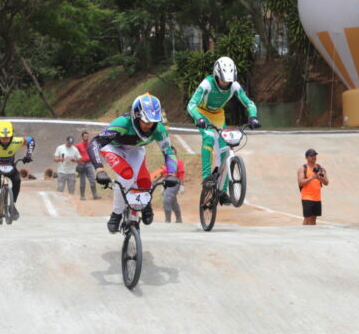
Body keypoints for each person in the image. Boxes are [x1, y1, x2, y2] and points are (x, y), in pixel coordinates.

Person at [88, 93, 179, 233]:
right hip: (113, 147)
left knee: (144, 181)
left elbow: (168, 152)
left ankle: (145, 203)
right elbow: (94, 143)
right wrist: (100, 170)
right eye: (146, 120)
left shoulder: (159, 129)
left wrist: (171, 173)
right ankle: (116, 214)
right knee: (126, 176)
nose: (149, 124)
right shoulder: (122, 123)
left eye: (153, 120)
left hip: (135, 149)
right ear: (136, 117)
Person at [187, 56, 261, 204]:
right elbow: (191, 104)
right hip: (202, 113)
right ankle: (206, 177)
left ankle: (222, 191)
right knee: (209, 137)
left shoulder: (234, 86)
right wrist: (198, 118)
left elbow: (249, 103)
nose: (225, 83)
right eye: (222, 80)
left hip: (218, 115)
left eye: (229, 80)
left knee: (226, 149)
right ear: (216, 75)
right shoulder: (207, 84)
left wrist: (253, 116)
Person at [151, 146, 185, 223]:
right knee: (173, 201)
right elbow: (161, 174)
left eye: (173, 153)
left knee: (166, 200)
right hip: (167, 183)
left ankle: (168, 220)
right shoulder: (166, 163)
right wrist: (154, 182)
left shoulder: (179, 162)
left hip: (175, 183)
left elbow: (181, 174)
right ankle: (179, 219)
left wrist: (182, 185)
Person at [297, 149, 329, 225]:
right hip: (307, 197)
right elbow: (300, 182)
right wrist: (312, 177)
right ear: (306, 157)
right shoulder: (303, 168)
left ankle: (312, 232)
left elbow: (326, 183)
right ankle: (304, 232)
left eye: (315, 155)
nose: (314, 157)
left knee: (314, 218)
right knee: (307, 218)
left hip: (317, 198)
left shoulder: (321, 168)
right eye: (311, 156)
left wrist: (321, 178)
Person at [75, 131, 100, 200]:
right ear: (82, 137)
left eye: (87, 136)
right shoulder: (78, 145)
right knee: (82, 181)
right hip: (81, 164)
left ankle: (95, 195)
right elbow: (75, 155)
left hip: (89, 163)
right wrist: (78, 163)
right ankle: (82, 196)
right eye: (85, 136)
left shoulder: (90, 145)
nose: (86, 137)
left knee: (92, 179)